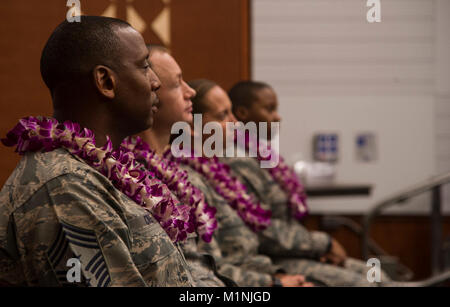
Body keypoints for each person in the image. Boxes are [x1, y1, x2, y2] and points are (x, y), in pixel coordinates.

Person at [0, 16, 194, 287]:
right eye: (144, 66)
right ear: (106, 81)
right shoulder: (65, 189)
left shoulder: (105, 172)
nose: (155, 82)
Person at [135, 47, 310, 287]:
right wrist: (273, 284)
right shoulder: (141, 175)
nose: (190, 92)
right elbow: (203, 266)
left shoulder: (189, 171)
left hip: (250, 272)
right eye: (177, 84)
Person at [225, 80, 392, 286]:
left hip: (294, 251)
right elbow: (261, 229)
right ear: (242, 113)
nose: (278, 117)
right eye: (269, 109)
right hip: (270, 259)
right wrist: (322, 244)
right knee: (363, 283)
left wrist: (317, 248)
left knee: (376, 275)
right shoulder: (234, 162)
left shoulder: (262, 156)